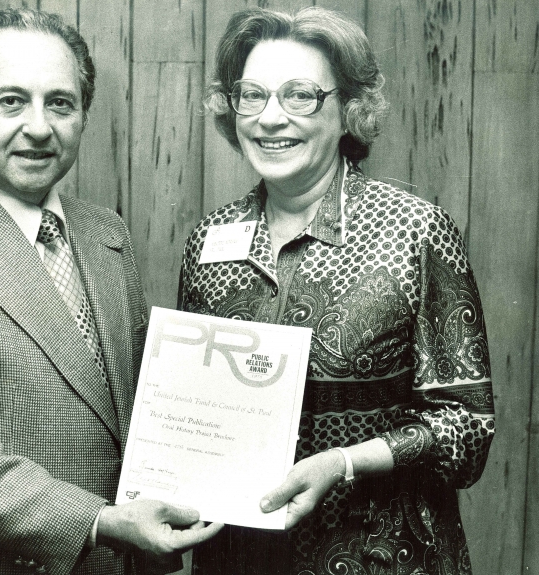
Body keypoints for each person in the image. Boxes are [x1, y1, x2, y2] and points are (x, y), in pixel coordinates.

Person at [0, 8, 221, 575]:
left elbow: (144, 408)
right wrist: (101, 522)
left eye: (60, 103)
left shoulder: (105, 233)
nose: (40, 127)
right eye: (10, 102)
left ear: (83, 117)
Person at [178, 7, 494, 575]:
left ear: (350, 109)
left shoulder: (414, 231)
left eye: (300, 96)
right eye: (252, 95)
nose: (270, 118)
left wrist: (345, 463)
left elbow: (468, 430)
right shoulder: (207, 241)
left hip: (382, 555)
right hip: (238, 558)